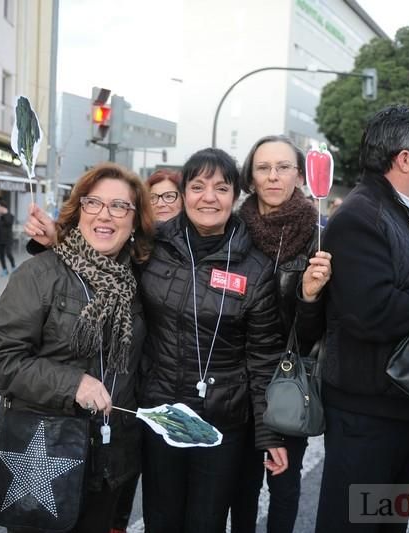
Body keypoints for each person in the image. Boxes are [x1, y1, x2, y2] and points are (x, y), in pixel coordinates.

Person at [0, 163, 155, 533]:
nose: (105, 215)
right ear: (79, 211)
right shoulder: (41, 274)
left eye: (120, 207)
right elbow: (0, 361)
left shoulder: (136, 282)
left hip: (110, 461)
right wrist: (74, 383)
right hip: (47, 451)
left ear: (135, 220)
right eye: (94, 203)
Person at [313, 104, 409, 532]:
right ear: (404, 158)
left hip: (405, 398)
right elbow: (372, 314)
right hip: (367, 410)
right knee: (354, 523)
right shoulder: (361, 217)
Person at [138, 148, 286, 533]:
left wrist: (270, 434)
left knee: (206, 521)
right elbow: (100, 250)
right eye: (198, 186)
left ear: (235, 196)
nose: (209, 197)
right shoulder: (152, 246)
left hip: (222, 419)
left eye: (221, 188)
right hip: (161, 412)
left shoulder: (255, 266)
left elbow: (263, 356)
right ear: (183, 192)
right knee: (161, 519)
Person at [230, 135, 332, 533]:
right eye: (263, 167)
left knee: (285, 486)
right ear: (251, 177)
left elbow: (316, 333)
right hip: (235, 376)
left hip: (289, 377)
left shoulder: (319, 235)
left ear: (301, 174)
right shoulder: (233, 229)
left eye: (283, 167)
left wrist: (308, 296)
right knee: (241, 485)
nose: (273, 176)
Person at [110, 168, 182, 533]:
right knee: (117, 483)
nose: (163, 204)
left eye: (171, 195)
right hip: (126, 381)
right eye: (155, 198)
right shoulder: (133, 250)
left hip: (163, 383)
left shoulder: (192, 253)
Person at [0, 198, 16, 276]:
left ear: (3, 207)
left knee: (8, 253)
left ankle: (13, 266)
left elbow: (8, 223)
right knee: (1, 255)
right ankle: (4, 269)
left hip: (8, 239)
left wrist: (4, 214)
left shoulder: (9, 216)